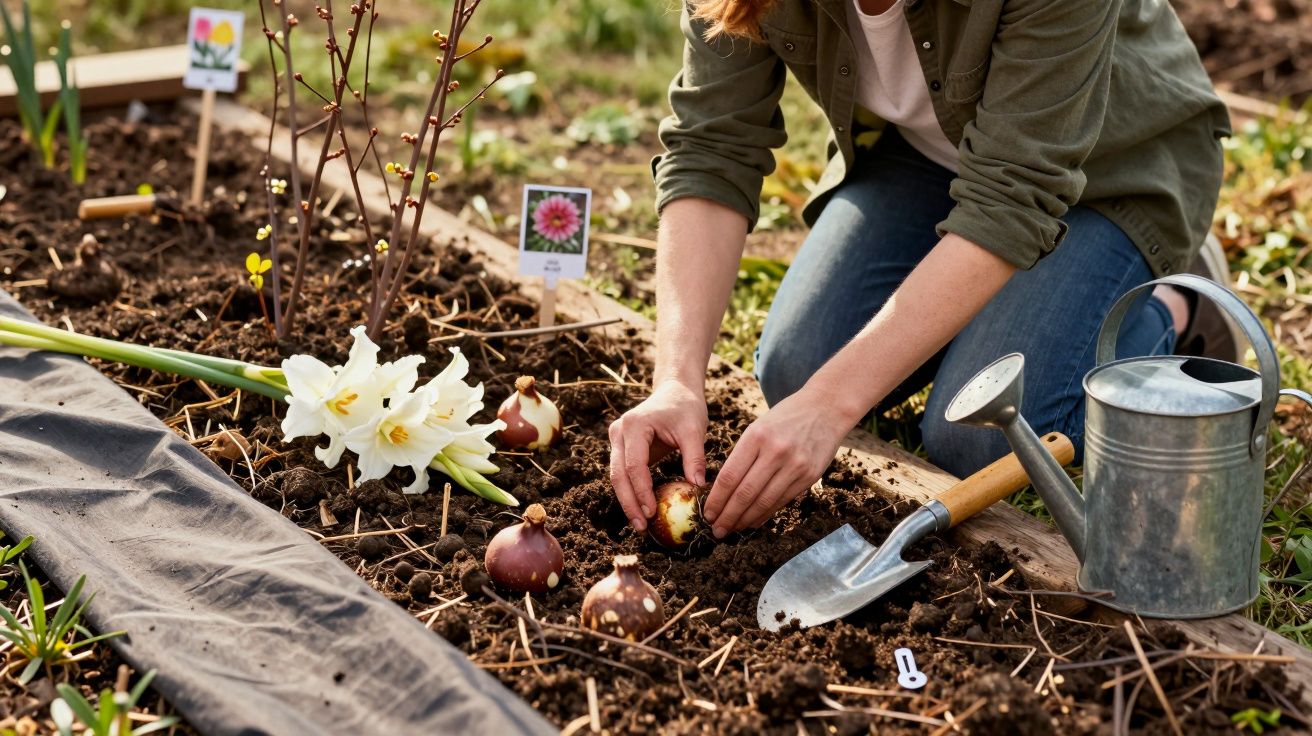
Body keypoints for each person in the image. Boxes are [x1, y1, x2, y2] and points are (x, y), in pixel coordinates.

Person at [608, 0, 1234, 540]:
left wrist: (828, 406)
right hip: (934, 155)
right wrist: (677, 381)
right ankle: (996, 304)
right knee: (796, 368)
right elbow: (712, 146)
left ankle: (1172, 305)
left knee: (981, 436)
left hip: (1114, 171)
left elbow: (1014, 195)